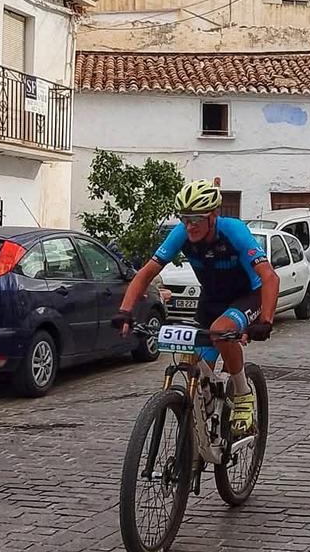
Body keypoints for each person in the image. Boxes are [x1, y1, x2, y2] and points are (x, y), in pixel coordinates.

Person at [113, 182, 279, 439]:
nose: (189, 225)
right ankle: (201, 437)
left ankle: (243, 393)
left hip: (247, 296)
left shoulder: (233, 231)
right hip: (211, 300)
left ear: (213, 216)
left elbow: (269, 277)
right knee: (197, 369)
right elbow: (145, 274)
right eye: (184, 218)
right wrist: (125, 311)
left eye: (196, 219)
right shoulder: (182, 233)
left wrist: (265, 320)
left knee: (220, 331)